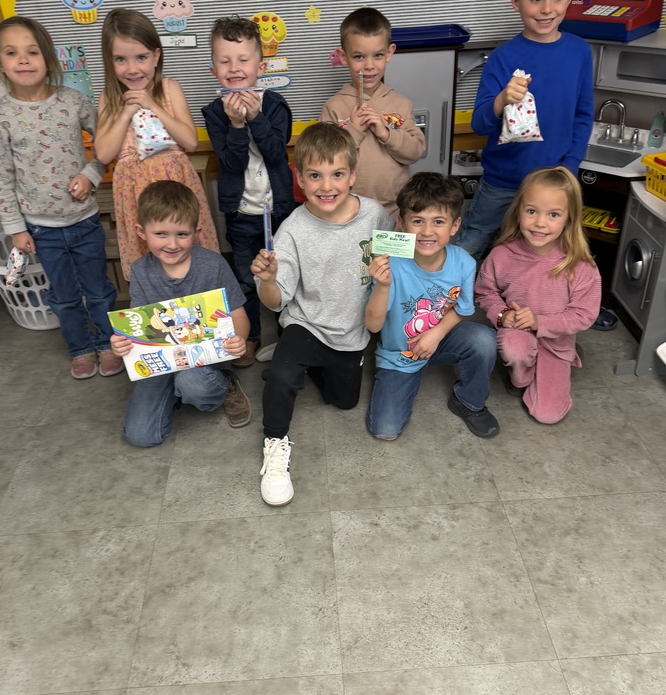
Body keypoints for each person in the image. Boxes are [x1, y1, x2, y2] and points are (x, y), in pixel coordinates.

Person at [251, 122, 394, 506]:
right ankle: (275, 443)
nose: (326, 186)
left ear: (353, 175)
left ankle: (303, 367)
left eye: (337, 174)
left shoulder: (376, 216)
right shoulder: (291, 231)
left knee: (344, 402)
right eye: (314, 175)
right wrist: (267, 280)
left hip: (351, 332)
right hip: (306, 323)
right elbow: (276, 301)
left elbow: (397, 264)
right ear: (299, 178)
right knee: (280, 377)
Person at [0, 16, 122, 380]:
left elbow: (108, 145)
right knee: (62, 296)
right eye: (12, 53)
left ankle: (108, 343)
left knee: (98, 290)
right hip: (41, 228)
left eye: (32, 52)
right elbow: (1, 176)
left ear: (48, 58)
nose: (24, 60)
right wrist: (16, 228)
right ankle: (80, 349)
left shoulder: (73, 102)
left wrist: (91, 174)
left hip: (85, 221)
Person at [455, 0, 593, 260]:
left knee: (547, 254)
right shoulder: (503, 57)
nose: (547, 9)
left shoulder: (579, 53)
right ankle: (439, 301)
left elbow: (583, 116)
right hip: (503, 180)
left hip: (553, 182)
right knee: (471, 242)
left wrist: (569, 167)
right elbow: (479, 123)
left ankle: (537, 307)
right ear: (515, 1)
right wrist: (502, 100)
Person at [110, 181, 252, 446]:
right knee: (141, 436)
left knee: (193, 383)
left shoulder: (213, 264)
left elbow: (238, 315)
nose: (172, 244)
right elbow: (136, 325)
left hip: (203, 361)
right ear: (142, 232)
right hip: (161, 364)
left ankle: (222, 385)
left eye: (182, 234)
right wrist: (121, 343)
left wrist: (239, 340)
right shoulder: (140, 271)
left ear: (196, 232)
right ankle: (176, 390)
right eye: (161, 234)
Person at [366, 172, 500, 440]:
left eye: (438, 221)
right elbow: (372, 325)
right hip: (400, 354)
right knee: (385, 430)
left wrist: (436, 334)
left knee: (483, 339)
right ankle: (404, 378)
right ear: (402, 223)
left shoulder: (464, 262)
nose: (427, 232)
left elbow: (463, 309)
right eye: (418, 221)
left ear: (454, 225)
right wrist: (382, 285)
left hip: (440, 340)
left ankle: (469, 400)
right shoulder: (390, 262)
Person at [95, 8, 219, 282]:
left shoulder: (169, 89)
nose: (132, 68)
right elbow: (104, 153)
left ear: (156, 55)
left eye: (141, 57)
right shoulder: (109, 98)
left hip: (175, 186)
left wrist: (151, 105)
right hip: (135, 195)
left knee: (189, 257)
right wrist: (127, 111)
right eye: (120, 59)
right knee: (151, 264)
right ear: (110, 60)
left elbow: (190, 142)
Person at [202, 16, 295, 368]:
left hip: (280, 210)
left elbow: (275, 152)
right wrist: (236, 124)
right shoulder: (214, 113)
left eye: (242, 60)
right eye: (225, 61)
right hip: (240, 213)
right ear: (214, 69)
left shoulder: (274, 105)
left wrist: (255, 118)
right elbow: (231, 161)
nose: (234, 68)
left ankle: (290, 333)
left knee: (283, 272)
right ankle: (251, 335)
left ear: (260, 65)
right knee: (245, 276)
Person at [474, 166, 601, 424]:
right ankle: (521, 374)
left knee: (547, 415)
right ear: (518, 211)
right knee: (515, 350)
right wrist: (502, 315)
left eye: (553, 214)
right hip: (517, 333)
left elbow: (584, 315)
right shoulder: (501, 255)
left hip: (557, 340)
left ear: (569, 218)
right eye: (532, 211)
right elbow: (485, 292)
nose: (540, 223)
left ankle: (561, 359)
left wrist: (540, 323)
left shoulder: (580, 264)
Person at [320, 6, 425, 216]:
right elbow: (324, 161)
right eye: (358, 57)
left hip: (395, 210)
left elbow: (416, 151)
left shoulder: (401, 103)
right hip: (347, 210)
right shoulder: (334, 107)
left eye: (377, 55)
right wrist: (353, 130)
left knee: (391, 251)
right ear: (343, 56)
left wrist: (386, 133)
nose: (369, 65)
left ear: (389, 53)